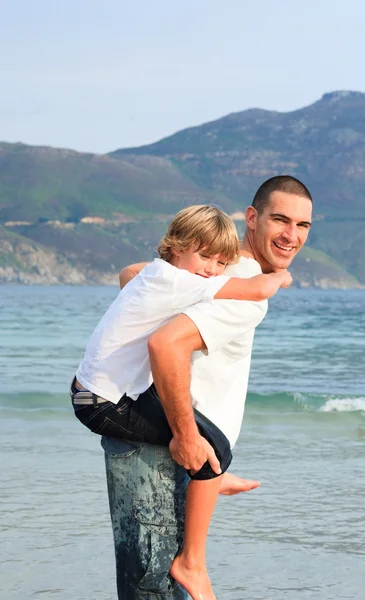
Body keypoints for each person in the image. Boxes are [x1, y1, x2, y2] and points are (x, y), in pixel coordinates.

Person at [104, 175, 313, 600]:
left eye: (303, 225)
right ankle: (205, 495)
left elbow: (129, 275)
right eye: (280, 219)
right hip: (161, 453)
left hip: (165, 448)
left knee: (154, 586)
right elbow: (165, 345)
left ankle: (210, 476)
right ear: (251, 218)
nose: (292, 236)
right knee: (155, 591)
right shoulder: (241, 285)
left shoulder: (214, 268)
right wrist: (187, 439)